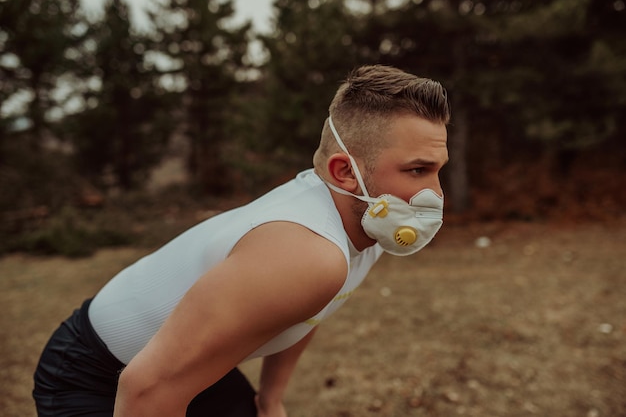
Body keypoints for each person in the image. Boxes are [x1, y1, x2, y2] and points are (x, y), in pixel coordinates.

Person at [32, 64, 451, 417]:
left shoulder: (369, 222)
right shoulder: (308, 253)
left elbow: (307, 312)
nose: (434, 194)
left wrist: (269, 400)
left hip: (171, 362)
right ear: (345, 172)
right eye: (416, 170)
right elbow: (145, 388)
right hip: (93, 374)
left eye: (438, 170)